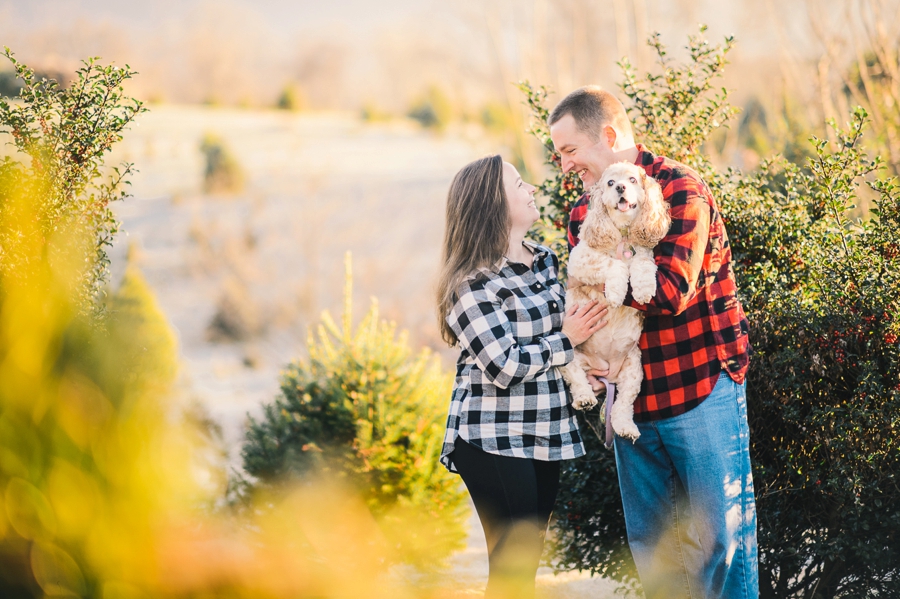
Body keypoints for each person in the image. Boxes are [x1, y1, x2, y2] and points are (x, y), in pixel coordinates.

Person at [548, 86, 758, 599]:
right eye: (558, 155)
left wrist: (603, 280)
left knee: (722, 542)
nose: (563, 165)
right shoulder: (582, 214)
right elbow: (580, 291)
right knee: (653, 547)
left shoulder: (681, 189)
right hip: (631, 398)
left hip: (700, 388)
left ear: (610, 136)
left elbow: (670, 291)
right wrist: (587, 347)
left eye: (570, 151)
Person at [436, 155, 607, 598]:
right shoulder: (470, 284)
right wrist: (567, 339)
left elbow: (568, 336)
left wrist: (590, 371)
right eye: (518, 183)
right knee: (513, 564)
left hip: (545, 428)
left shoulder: (547, 261)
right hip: (492, 435)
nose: (531, 187)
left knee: (526, 564)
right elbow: (504, 365)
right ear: (492, 201)